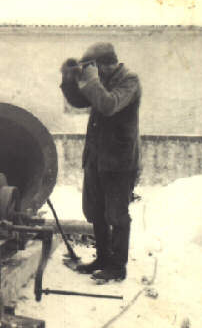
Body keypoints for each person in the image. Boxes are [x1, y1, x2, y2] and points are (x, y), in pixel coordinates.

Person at [59, 42, 141, 282]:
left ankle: (117, 267)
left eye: (92, 67)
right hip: (96, 158)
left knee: (117, 214)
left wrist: (91, 79)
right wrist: (69, 78)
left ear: (105, 65)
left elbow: (108, 105)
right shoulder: (101, 80)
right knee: (96, 211)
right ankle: (103, 258)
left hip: (119, 160)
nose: (90, 73)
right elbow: (79, 102)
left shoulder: (129, 81)